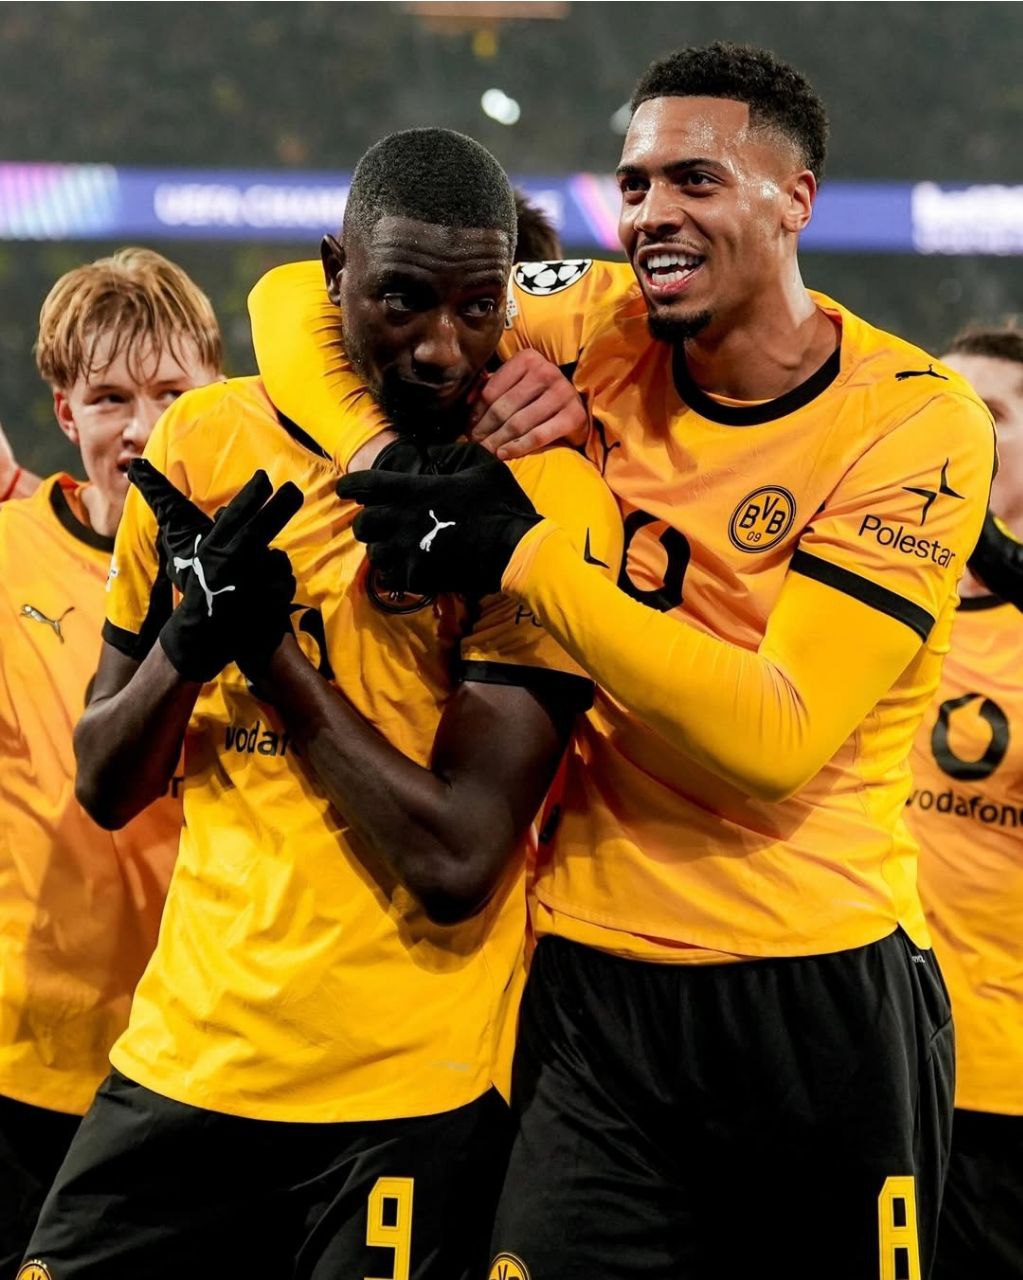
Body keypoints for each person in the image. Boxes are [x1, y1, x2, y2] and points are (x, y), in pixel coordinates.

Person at [249, 43, 995, 1280]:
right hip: (592, 985)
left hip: (816, 989)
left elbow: (775, 733)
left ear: (796, 200)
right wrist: (385, 455)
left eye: (696, 179)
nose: (652, 213)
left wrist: (524, 553)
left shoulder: (913, 420)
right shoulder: (597, 319)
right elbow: (294, 296)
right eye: (635, 182)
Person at [21, 129, 619, 1280]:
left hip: (403, 1099)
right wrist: (187, 645)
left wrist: (273, 660)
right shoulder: (203, 440)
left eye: (478, 308)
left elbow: (457, 860)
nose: (441, 348)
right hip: (185, 1059)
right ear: (335, 273)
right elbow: (105, 779)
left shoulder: (546, 503)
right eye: (402, 300)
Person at [0, 247, 221, 1277]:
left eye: (172, 393)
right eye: (109, 399)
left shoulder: (280, 565)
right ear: (64, 412)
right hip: (27, 1056)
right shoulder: (7, 555)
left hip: (205, 1058)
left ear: (219, 392)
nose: (141, 428)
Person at [903, 324, 1023, 1280]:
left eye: (991, 414)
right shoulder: (856, 600)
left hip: (993, 1092)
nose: (960, 433)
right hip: (855, 1069)